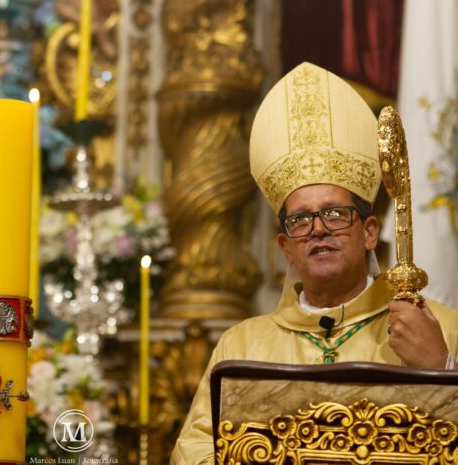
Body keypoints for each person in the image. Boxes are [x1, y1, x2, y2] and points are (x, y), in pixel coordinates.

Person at [171, 62, 458, 465]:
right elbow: (193, 453)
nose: (319, 229)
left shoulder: (439, 328)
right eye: (301, 220)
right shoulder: (242, 346)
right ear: (286, 247)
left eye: (336, 213)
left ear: (370, 232)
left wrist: (442, 371)